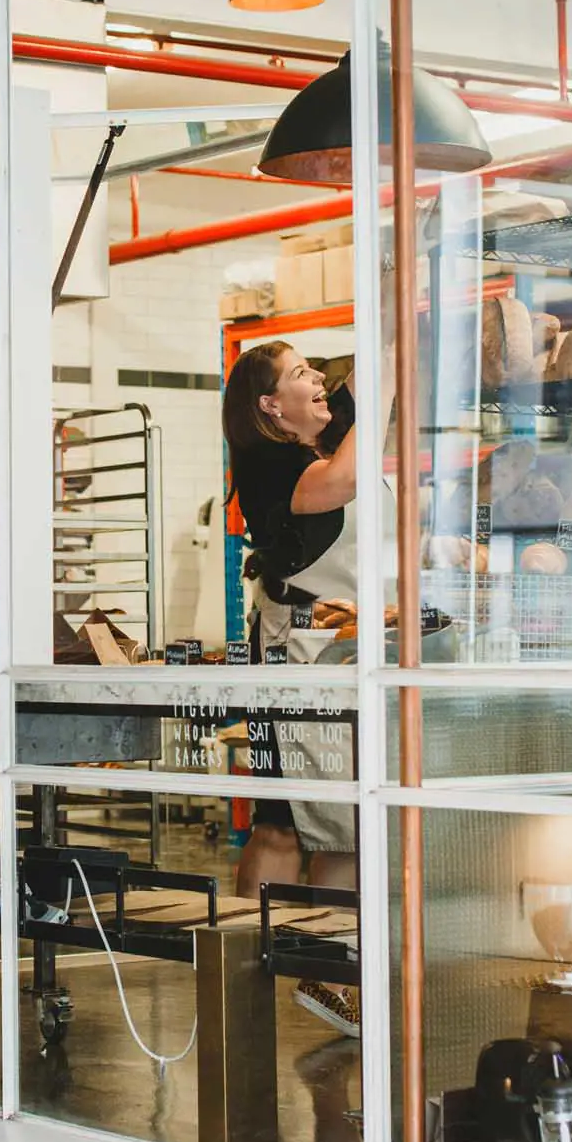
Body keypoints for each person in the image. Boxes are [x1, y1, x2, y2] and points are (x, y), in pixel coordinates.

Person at [221, 341, 369, 1037]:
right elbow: (338, 488)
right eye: (301, 375)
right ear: (267, 405)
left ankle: (329, 970)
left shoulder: (317, 452)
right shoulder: (269, 462)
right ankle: (245, 962)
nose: (318, 382)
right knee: (286, 823)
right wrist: (373, 390)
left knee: (337, 821)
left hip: (343, 656)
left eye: (318, 373)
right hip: (295, 656)